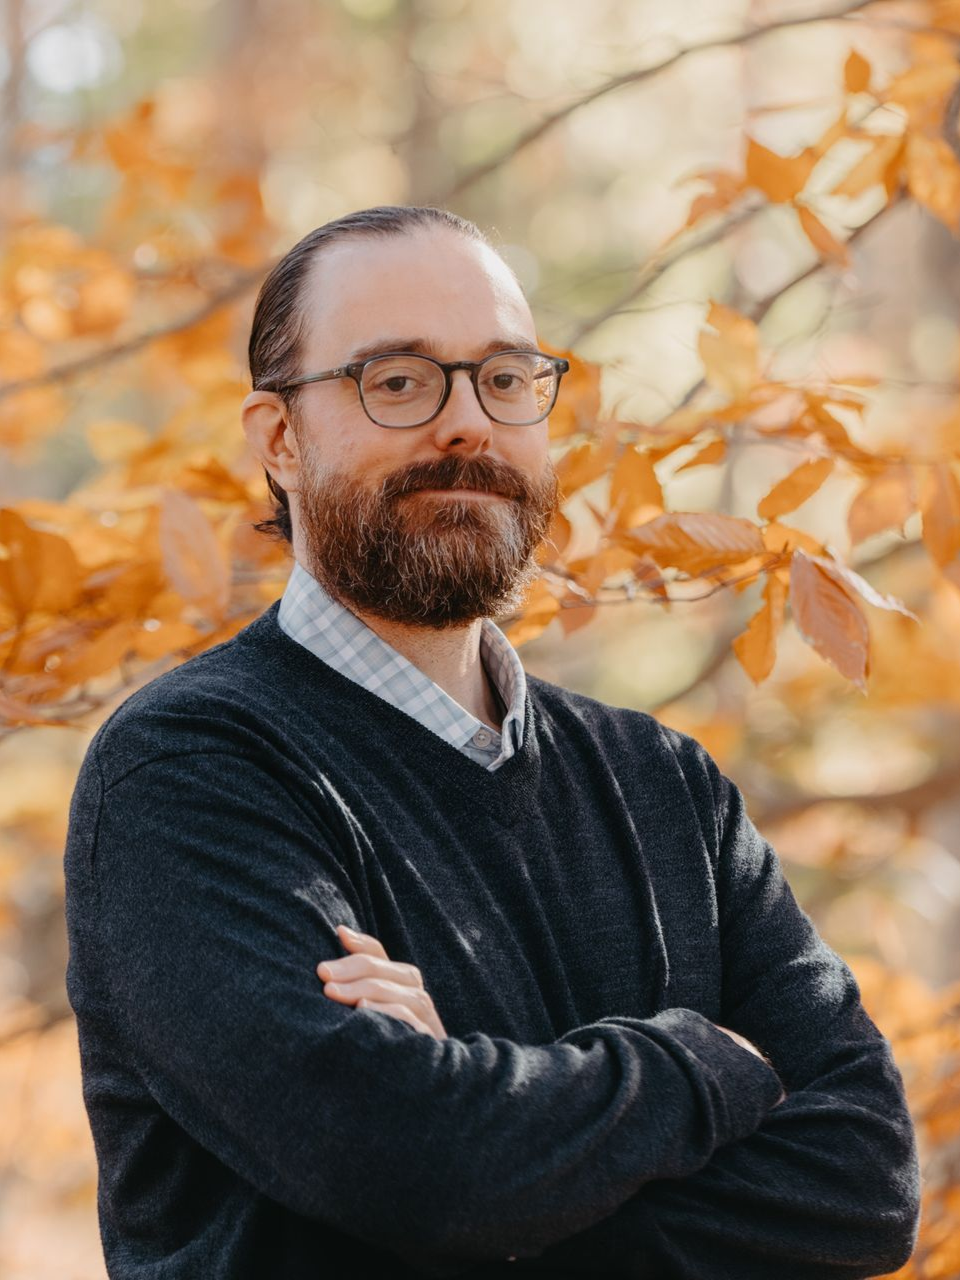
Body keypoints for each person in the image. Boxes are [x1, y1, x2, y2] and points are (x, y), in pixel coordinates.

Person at [63, 205, 920, 1279]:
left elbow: (866, 1182)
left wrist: (484, 1134)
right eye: (398, 381)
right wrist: (703, 1062)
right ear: (279, 439)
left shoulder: (668, 785)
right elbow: (409, 1163)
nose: (467, 423)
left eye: (505, 378)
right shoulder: (190, 772)